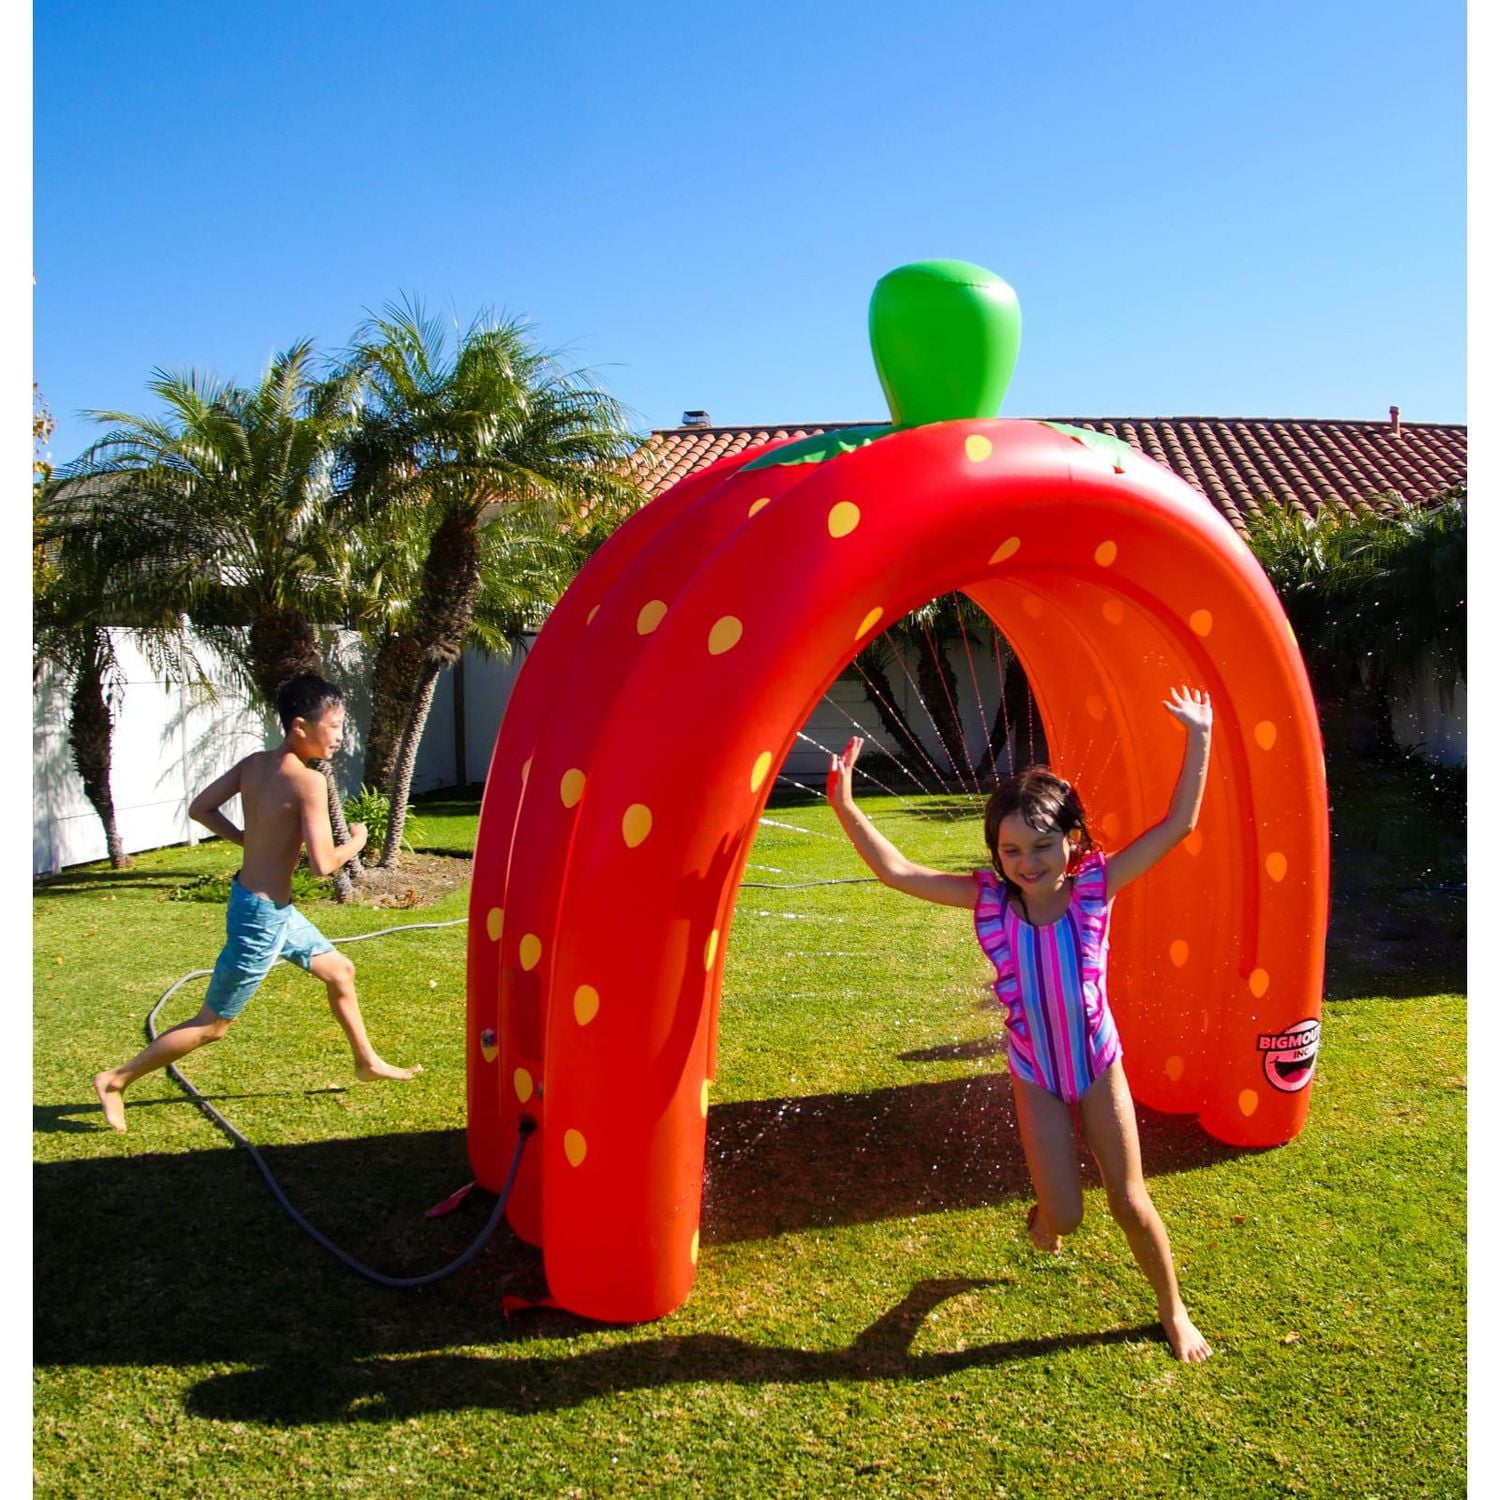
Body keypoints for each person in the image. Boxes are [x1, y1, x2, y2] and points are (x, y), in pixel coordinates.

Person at [827, 685, 1214, 1364]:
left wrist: (1199, 737)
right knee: (1062, 1214)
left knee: (1128, 1200)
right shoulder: (987, 901)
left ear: (1072, 839)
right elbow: (897, 871)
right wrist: (846, 806)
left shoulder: (1096, 885)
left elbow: (1177, 825)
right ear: (995, 854)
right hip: (1035, 1072)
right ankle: (1045, 1222)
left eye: (1040, 847)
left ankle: (1173, 1309)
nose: (1026, 864)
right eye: (1010, 852)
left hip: (1097, 1063)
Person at [94, 674, 421, 1132]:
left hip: (265, 906)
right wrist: (360, 840)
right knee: (212, 1025)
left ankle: (366, 1061)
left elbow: (200, 809)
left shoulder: (253, 765)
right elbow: (323, 865)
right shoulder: (307, 782)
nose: (340, 736)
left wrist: (247, 841)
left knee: (339, 970)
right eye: (335, 726)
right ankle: (115, 1079)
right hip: (262, 919)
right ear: (300, 726)